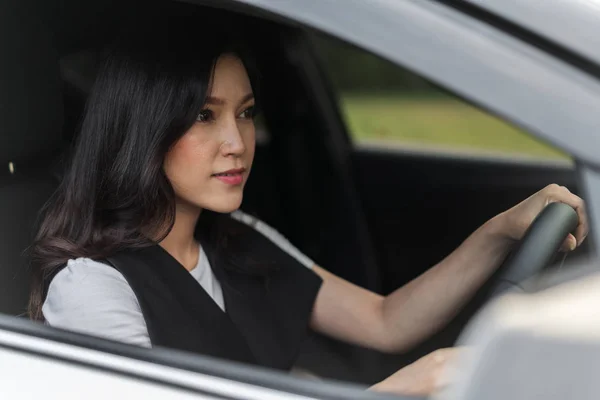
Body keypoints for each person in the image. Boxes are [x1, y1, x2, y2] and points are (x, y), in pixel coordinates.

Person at [28, 10, 588, 397]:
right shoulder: (93, 288)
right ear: (143, 129)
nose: (237, 142)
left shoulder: (234, 235)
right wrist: (392, 391)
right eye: (205, 115)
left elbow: (385, 320)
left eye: (245, 112)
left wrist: (500, 232)